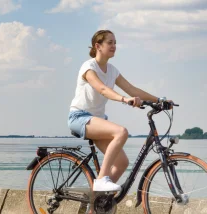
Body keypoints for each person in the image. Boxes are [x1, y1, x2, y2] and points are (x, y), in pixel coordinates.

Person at [68, 29, 172, 192]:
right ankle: (101, 180)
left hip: (98, 120)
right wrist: (124, 99)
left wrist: (159, 100)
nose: (114, 46)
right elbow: (102, 89)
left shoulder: (112, 70)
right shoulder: (88, 67)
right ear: (98, 46)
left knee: (122, 163)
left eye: (115, 43)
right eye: (110, 42)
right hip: (79, 118)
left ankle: (97, 201)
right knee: (121, 132)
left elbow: (132, 89)